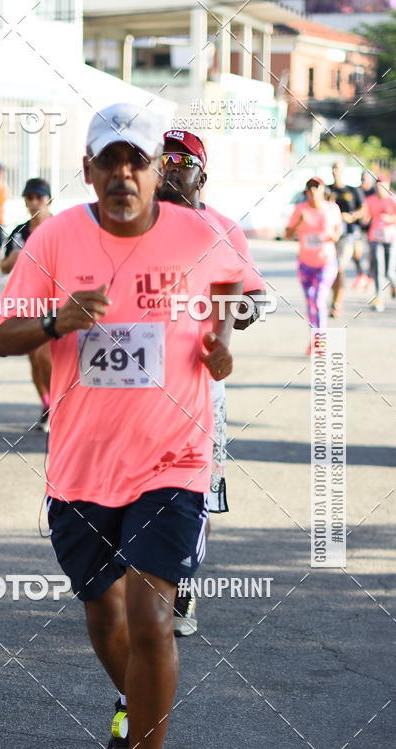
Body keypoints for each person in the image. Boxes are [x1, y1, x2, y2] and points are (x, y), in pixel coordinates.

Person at [0, 102, 243, 749]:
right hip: (81, 466)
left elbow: (235, 290)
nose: (125, 173)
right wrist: (57, 322)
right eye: (111, 160)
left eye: (138, 160)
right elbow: (4, 333)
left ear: (156, 170)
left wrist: (222, 340)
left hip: (174, 456)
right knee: (105, 616)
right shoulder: (55, 237)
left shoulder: (201, 232)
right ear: (89, 170)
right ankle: (131, 699)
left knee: (152, 615)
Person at [157, 129, 264, 638]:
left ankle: (181, 586)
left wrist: (236, 314)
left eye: (182, 161)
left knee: (194, 489)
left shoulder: (223, 230)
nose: (170, 168)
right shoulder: (127, 226)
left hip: (198, 388)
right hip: (128, 388)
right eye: (163, 159)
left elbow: (253, 297)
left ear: (202, 176)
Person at [1, 178, 53, 427]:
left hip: (56, 299)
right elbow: (3, 267)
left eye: (38, 198)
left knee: (46, 355)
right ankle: (47, 404)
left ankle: (59, 404)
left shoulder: (60, 227)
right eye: (29, 198)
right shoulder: (20, 233)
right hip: (28, 301)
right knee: (35, 358)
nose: (34, 203)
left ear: (48, 200)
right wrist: (14, 257)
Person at [285, 177, 342, 353]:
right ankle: (315, 338)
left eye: (316, 187)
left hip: (326, 262)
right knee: (311, 302)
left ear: (323, 189)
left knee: (318, 299)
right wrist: (299, 222)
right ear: (306, 192)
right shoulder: (300, 209)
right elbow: (287, 234)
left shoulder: (332, 208)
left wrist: (333, 236)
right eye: (309, 188)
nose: (313, 191)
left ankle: (320, 340)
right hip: (305, 264)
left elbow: (338, 230)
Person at [328, 161, 366, 317]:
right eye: (333, 169)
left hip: (347, 235)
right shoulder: (327, 190)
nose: (335, 171)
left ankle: (336, 304)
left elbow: (363, 209)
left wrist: (351, 216)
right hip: (330, 237)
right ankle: (333, 296)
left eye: (338, 169)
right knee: (331, 270)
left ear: (343, 171)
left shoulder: (352, 190)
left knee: (339, 268)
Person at [365, 177, 396, 312]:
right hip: (375, 239)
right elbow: (366, 215)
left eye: (382, 185)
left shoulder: (394, 200)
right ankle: (378, 300)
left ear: (388, 186)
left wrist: (390, 218)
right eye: (377, 185)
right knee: (378, 271)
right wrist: (361, 218)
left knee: (389, 272)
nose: (379, 188)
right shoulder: (371, 200)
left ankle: (394, 285)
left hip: (391, 240)